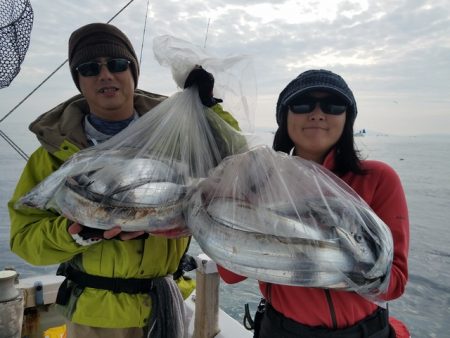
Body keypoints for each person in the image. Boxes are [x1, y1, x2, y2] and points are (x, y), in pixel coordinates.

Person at [8, 22, 240, 337]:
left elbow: (237, 159)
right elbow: (26, 242)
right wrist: (80, 233)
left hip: (169, 305)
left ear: (133, 73)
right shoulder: (52, 156)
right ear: (79, 81)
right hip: (96, 318)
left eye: (117, 64)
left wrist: (209, 108)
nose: (105, 75)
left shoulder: (176, 135)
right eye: (90, 68)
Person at [217, 69, 410, 338]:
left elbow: (395, 283)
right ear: (285, 117)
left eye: (333, 105)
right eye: (302, 104)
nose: (317, 113)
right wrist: (227, 196)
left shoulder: (379, 179)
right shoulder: (261, 182)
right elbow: (230, 273)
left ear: (347, 119)